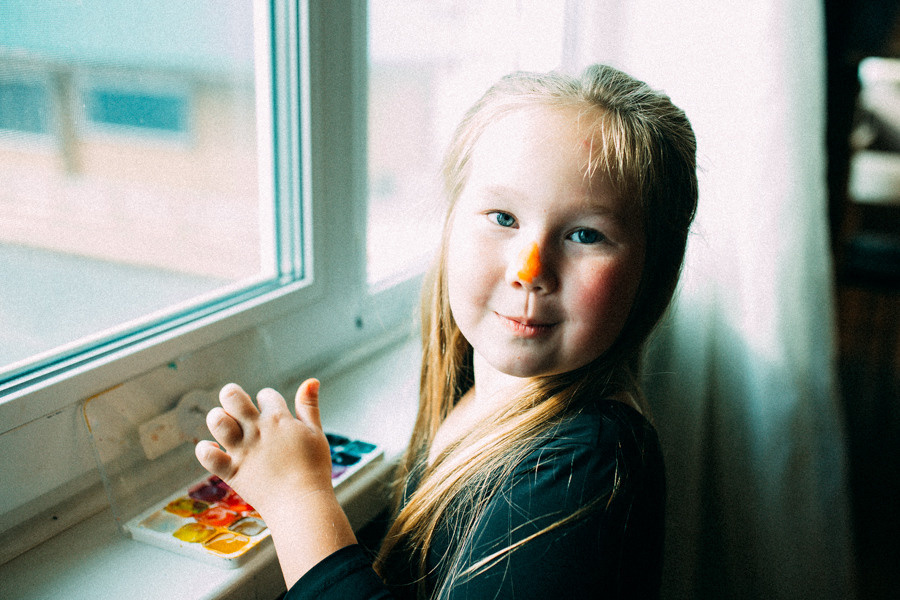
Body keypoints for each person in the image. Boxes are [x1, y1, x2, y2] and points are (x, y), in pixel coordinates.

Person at [195, 63, 698, 599]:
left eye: (584, 234)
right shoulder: (476, 387)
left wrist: (299, 500)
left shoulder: (587, 465)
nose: (530, 268)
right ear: (451, 224)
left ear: (651, 274)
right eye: (503, 218)